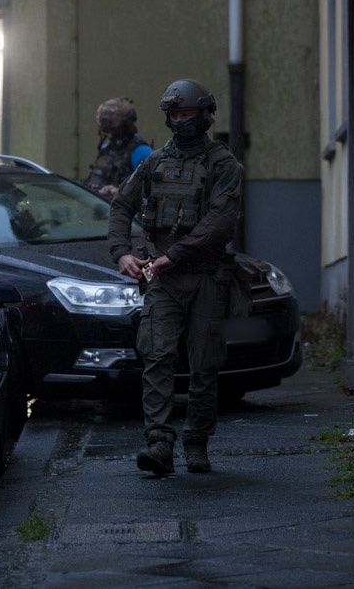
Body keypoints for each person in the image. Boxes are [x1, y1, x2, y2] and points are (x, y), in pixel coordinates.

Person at [107, 78, 243, 475]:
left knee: (204, 364)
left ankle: (197, 442)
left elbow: (220, 220)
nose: (181, 121)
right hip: (162, 279)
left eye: (187, 113)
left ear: (204, 115)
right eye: (175, 114)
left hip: (205, 276)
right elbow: (121, 207)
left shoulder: (223, 165)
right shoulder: (154, 162)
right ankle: (159, 444)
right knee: (157, 357)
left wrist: (175, 255)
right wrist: (122, 252)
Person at [85, 97, 152, 198]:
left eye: (113, 129)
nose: (110, 134)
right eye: (106, 130)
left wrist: (120, 193)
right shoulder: (105, 149)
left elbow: (152, 190)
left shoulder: (142, 152)